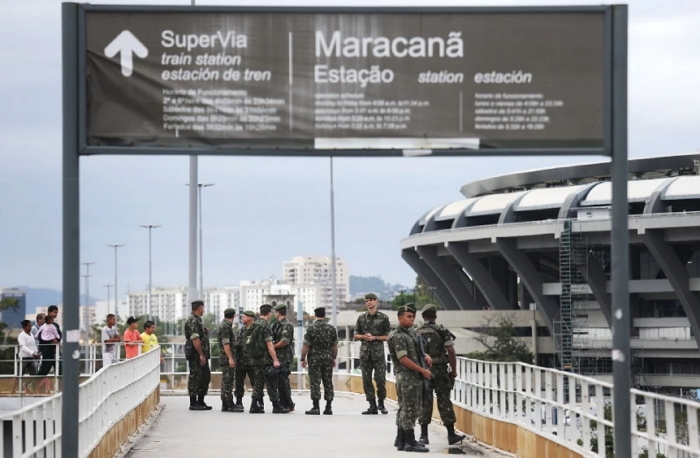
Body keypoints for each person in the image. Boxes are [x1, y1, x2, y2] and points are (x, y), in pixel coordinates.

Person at [417, 304, 466, 445]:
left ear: (423, 317)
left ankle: (423, 435)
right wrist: (454, 371)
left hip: (424, 370)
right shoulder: (442, 331)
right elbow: (451, 351)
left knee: (425, 401)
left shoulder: (417, 332)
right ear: (435, 316)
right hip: (440, 371)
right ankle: (451, 434)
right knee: (444, 400)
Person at [388, 304, 431, 452]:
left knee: (406, 408)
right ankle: (410, 441)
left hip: (413, 376)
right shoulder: (399, 335)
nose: (412, 319)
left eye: (413, 316)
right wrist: (422, 370)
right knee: (409, 409)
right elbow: (403, 359)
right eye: (409, 316)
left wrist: (425, 356)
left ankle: (401, 440)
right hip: (407, 376)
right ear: (400, 317)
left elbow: (417, 351)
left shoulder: (411, 333)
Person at [354, 292, 391, 414]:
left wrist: (375, 338)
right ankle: (372, 405)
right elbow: (356, 335)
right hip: (365, 354)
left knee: (380, 379)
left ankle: (381, 403)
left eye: (371, 300)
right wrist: (364, 336)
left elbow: (388, 336)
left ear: (376, 301)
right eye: (367, 301)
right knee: (366, 380)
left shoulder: (383, 318)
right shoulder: (361, 318)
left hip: (378, 353)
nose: (369, 302)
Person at [301, 306, 338, 415]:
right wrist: (333, 358)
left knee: (315, 382)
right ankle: (328, 407)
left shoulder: (311, 328)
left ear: (315, 315)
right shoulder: (331, 329)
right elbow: (334, 346)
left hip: (314, 359)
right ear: (324, 315)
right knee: (328, 382)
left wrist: (303, 358)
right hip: (327, 358)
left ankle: (316, 407)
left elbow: (306, 346)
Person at [252, 304, 287, 414]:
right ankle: (276, 406)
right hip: (265, 359)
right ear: (269, 313)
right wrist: (275, 359)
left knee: (258, 382)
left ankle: (254, 405)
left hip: (255, 359)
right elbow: (269, 345)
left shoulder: (254, 325)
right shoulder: (265, 326)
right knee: (271, 382)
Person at [185, 300, 212, 411]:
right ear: (199, 308)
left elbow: (199, 335)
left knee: (205, 377)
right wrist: (201, 355)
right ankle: (193, 402)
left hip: (202, 355)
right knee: (195, 377)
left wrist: (204, 331)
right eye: (203, 308)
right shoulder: (192, 321)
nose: (203, 310)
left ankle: (201, 401)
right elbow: (195, 339)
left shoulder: (198, 321)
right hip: (196, 356)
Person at [233, 310, 259, 413]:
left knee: (256, 383)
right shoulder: (241, 331)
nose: (242, 318)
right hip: (241, 362)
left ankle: (257, 402)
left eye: (244, 316)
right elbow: (236, 344)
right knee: (239, 383)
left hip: (253, 362)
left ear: (250, 318)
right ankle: (239, 402)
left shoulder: (257, 330)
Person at [272, 303, 295, 411]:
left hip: (284, 357)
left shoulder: (287, 325)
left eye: (275, 312)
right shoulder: (277, 325)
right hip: (278, 357)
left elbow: (284, 342)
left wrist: (272, 347)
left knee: (284, 381)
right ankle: (283, 402)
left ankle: (287, 403)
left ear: (278, 313)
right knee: (279, 382)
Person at [217, 308, 237, 412]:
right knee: (228, 381)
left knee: (225, 381)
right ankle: (230, 403)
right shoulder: (226, 327)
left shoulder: (223, 325)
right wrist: (230, 358)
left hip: (224, 357)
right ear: (233, 316)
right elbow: (226, 344)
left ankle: (225, 403)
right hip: (226, 358)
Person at [18, 320, 40, 393]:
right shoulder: (22, 335)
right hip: (24, 358)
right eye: (29, 326)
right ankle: (13, 389)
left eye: (31, 326)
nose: (30, 328)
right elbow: (23, 347)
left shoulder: (31, 334)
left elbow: (33, 345)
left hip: (31, 358)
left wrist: (37, 352)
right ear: (24, 327)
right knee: (19, 374)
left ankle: (27, 385)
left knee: (34, 375)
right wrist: (32, 353)